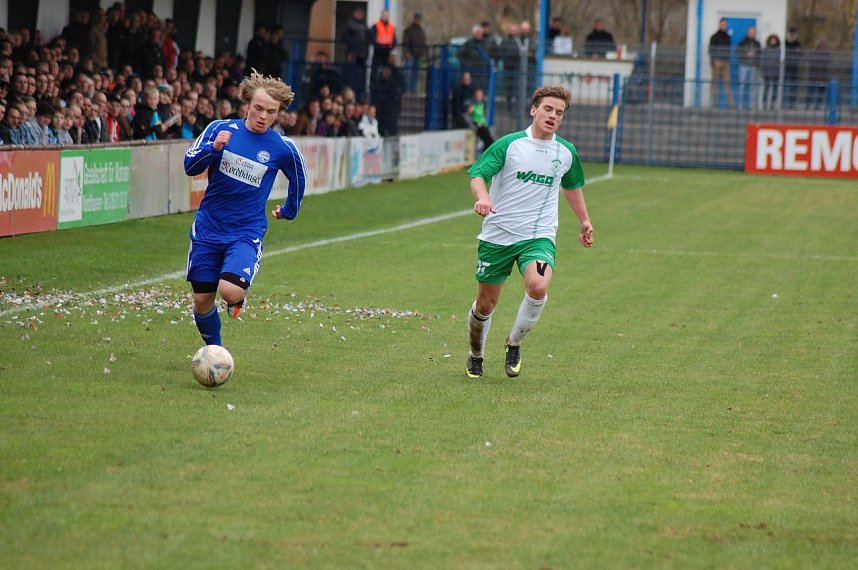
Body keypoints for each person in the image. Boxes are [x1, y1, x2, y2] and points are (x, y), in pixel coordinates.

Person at [465, 85, 592, 378]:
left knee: (538, 286)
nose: (553, 116)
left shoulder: (566, 152)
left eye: (559, 113)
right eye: (548, 109)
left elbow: (572, 187)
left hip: (538, 236)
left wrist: (584, 220)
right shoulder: (509, 145)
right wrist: (483, 198)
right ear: (534, 110)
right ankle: (476, 354)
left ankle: (514, 343)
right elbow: (478, 175)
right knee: (485, 304)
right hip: (498, 234)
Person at [183, 70, 307, 347]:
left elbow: (298, 179)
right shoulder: (219, 129)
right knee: (202, 299)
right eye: (258, 108)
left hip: (245, 231)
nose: (263, 116)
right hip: (208, 227)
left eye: (270, 112)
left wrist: (289, 210)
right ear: (247, 105)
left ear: (278, 114)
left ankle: (238, 297)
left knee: (229, 290)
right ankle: (215, 352)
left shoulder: (283, 147)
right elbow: (190, 166)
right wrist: (213, 149)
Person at [708, 18, 735, 108]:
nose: (723, 26)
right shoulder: (715, 36)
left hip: (725, 62)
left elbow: (729, 49)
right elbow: (711, 49)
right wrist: (713, 61)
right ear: (719, 24)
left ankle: (730, 104)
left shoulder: (727, 36)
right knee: (714, 83)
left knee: (727, 83)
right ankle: (714, 103)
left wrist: (728, 59)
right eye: (722, 24)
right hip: (717, 61)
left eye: (725, 24)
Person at [736, 26, 761, 109]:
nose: (752, 33)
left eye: (753, 32)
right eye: (750, 32)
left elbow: (760, 54)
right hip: (743, 65)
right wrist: (746, 54)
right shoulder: (742, 42)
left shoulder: (757, 43)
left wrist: (755, 56)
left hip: (753, 66)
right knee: (742, 85)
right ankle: (740, 104)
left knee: (751, 86)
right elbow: (738, 52)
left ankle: (751, 105)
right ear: (748, 32)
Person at [402, 13, 427, 93]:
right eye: (418, 19)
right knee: (408, 74)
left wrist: (423, 52)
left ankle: (413, 91)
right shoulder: (409, 30)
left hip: (418, 56)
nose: (419, 21)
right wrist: (407, 52)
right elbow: (405, 42)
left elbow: (423, 42)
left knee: (415, 75)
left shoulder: (421, 31)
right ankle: (407, 90)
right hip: (411, 55)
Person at [760, 34, 781, 109]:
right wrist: (763, 73)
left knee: (775, 90)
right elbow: (763, 62)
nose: (773, 42)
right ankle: (764, 104)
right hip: (767, 73)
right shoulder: (766, 50)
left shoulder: (779, 50)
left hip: (776, 73)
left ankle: (773, 104)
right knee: (766, 89)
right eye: (772, 40)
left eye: (774, 40)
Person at [783, 27, 802, 108]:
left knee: (793, 86)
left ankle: (792, 104)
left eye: (793, 32)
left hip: (794, 67)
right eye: (791, 32)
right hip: (786, 66)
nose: (792, 34)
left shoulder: (797, 42)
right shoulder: (785, 41)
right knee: (786, 85)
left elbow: (800, 53)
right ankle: (785, 103)